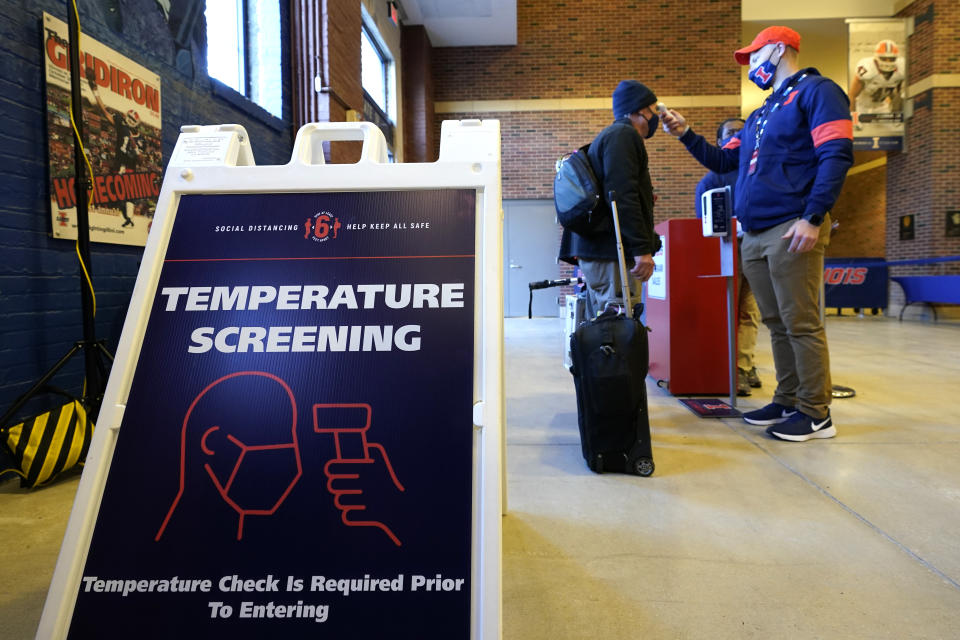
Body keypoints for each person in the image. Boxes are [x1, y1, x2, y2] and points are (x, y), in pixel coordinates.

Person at [662, 26, 853, 442]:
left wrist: (813, 216)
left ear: (781, 48)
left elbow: (836, 154)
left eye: (755, 53)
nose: (751, 63)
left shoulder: (818, 92)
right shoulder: (762, 113)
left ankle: (816, 412)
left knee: (801, 322)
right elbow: (721, 160)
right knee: (775, 322)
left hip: (791, 226)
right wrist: (685, 133)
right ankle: (787, 399)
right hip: (755, 231)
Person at [558, 80, 662, 317]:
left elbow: (617, 190)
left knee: (605, 329)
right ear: (638, 109)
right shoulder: (624, 135)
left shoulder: (612, 137)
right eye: (652, 109)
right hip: (610, 254)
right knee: (618, 329)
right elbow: (620, 196)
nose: (655, 116)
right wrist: (641, 250)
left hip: (600, 252)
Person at [694, 117, 762, 397]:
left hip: (757, 250)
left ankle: (744, 366)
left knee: (751, 311)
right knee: (727, 312)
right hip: (727, 253)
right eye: (731, 133)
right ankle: (729, 368)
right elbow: (704, 228)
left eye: (742, 131)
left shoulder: (759, 171)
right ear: (721, 142)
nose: (738, 136)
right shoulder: (711, 180)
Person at [849, 39, 905, 120]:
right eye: (884, 58)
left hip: (882, 107)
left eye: (891, 58)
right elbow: (852, 95)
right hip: (861, 107)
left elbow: (899, 93)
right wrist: (854, 118)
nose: (888, 62)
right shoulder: (867, 68)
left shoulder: (901, 69)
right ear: (876, 57)